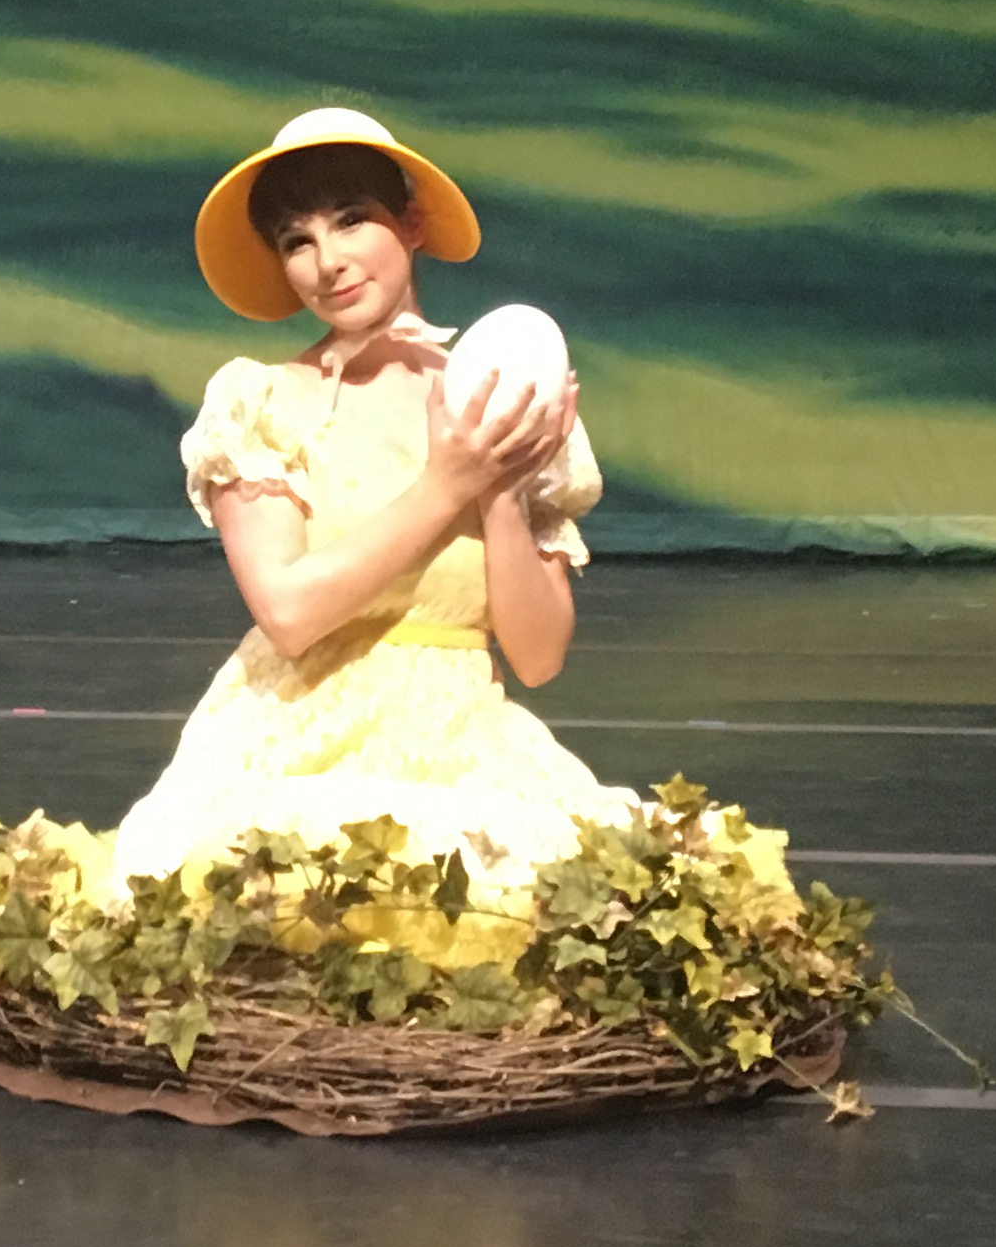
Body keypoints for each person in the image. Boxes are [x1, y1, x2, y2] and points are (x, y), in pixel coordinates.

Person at [81, 106, 624, 895]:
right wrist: (446, 486)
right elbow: (289, 614)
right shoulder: (263, 405)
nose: (327, 261)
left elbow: (538, 660)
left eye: (350, 220)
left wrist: (501, 490)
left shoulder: (495, 405)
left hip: (466, 750)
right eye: (296, 240)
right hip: (303, 749)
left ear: (411, 224)